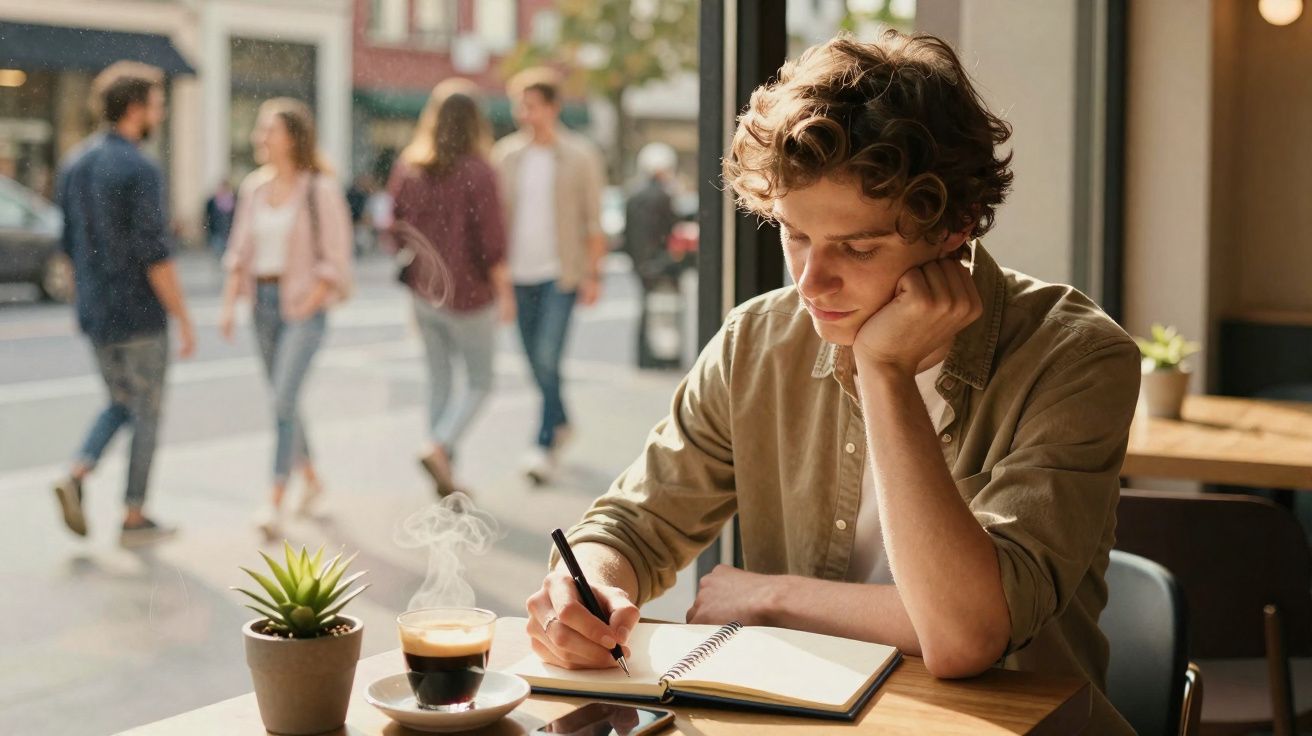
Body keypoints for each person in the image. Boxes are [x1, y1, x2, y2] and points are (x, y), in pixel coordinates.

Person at [524, 33, 1140, 735]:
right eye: (794, 236)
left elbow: (965, 634)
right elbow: (633, 526)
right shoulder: (757, 341)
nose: (811, 283)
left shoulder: (1077, 358)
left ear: (955, 226)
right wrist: (590, 586)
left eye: (857, 247)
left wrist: (883, 372)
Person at [51, 61, 195, 547]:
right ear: (135, 109)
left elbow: (68, 245)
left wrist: (87, 299)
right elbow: (156, 254)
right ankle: (134, 513)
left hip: (95, 312)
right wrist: (183, 316)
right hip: (139, 314)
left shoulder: (74, 162)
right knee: (147, 413)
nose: (161, 113)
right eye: (157, 105)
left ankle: (77, 472)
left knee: (119, 401)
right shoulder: (139, 167)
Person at [219, 98, 354, 540]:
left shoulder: (320, 189)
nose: (260, 138)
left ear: (292, 137)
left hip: (303, 307)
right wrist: (229, 303)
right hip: (263, 304)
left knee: (281, 401)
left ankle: (274, 499)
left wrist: (311, 299)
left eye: (268, 130)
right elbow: (239, 251)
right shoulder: (254, 188)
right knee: (286, 400)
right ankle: (313, 480)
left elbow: (336, 257)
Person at [389, 78, 512, 496]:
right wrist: (505, 292)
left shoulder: (410, 167)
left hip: (424, 294)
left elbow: (394, 230)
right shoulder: (479, 171)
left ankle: (440, 467)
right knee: (480, 381)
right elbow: (492, 241)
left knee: (439, 381)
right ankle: (439, 448)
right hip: (471, 295)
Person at [491, 68, 607, 485]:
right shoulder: (506, 156)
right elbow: (494, 223)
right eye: (519, 104)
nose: (524, 112)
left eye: (532, 104)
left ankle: (543, 444)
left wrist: (594, 275)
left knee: (547, 357)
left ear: (553, 107)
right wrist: (498, 280)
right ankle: (562, 421)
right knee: (532, 361)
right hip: (518, 276)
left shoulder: (580, 155)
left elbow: (594, 221)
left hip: (561, 275)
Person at [623, 142, 681, 369]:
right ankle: (662, 356)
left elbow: (627, 235)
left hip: (640, 264)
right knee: (663, 311)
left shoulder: (632, 195)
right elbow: (670, 229)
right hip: (660, 263)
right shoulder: (663, 196)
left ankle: (645, 356)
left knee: (647, 309)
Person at [205, 176, 237, 260]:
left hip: (229, 232)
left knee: (228, 255)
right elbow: (207, 216)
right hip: (216, 232)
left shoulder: (234, 199)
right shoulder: (212, 201)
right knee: (218, 255)